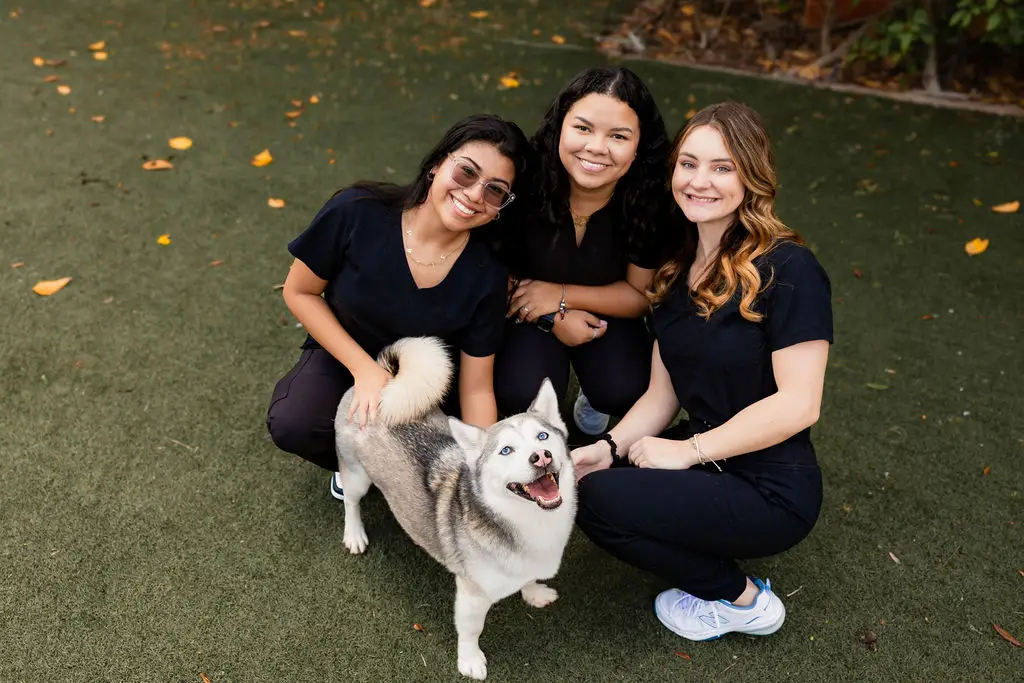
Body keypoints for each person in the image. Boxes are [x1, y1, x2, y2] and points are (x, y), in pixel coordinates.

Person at [570, 101, 832, 641]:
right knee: (591, 481)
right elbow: (661, 398)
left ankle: (743, 602)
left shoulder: (789, 268)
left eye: (722, 167)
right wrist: (611, 448)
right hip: (709, 458)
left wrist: (686, 452)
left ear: (752, 177)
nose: (699, 181)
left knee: (600, 503)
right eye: (688, 164)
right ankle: (697, 522)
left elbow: (800, 403)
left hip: (771, 487)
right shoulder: (676, 267)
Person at [266, 114, 533, 499]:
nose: (475, 194)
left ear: (501, 207)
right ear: (438, 165)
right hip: (344, 357)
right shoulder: (356, 211)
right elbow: (299, 292)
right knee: (296, 421)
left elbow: (476, 388)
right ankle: (353, 462)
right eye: (466, 173)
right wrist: (363, 370)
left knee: (448, 474)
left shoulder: (487, 272)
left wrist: (482, 465)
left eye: (495, 190)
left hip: (424, 389)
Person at [494, 66, 678, 436]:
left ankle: (594, 395)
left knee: (629, 388)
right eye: (583, 128)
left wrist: (560, 297)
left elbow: (640, 295)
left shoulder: (652, 199)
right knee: (521, 393)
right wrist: (551, 316)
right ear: (560, 125)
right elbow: (488, 272)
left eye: (619, 136)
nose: (596, 147)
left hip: (605, 309)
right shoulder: (524, 177)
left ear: (639, 144)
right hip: (523, 308)